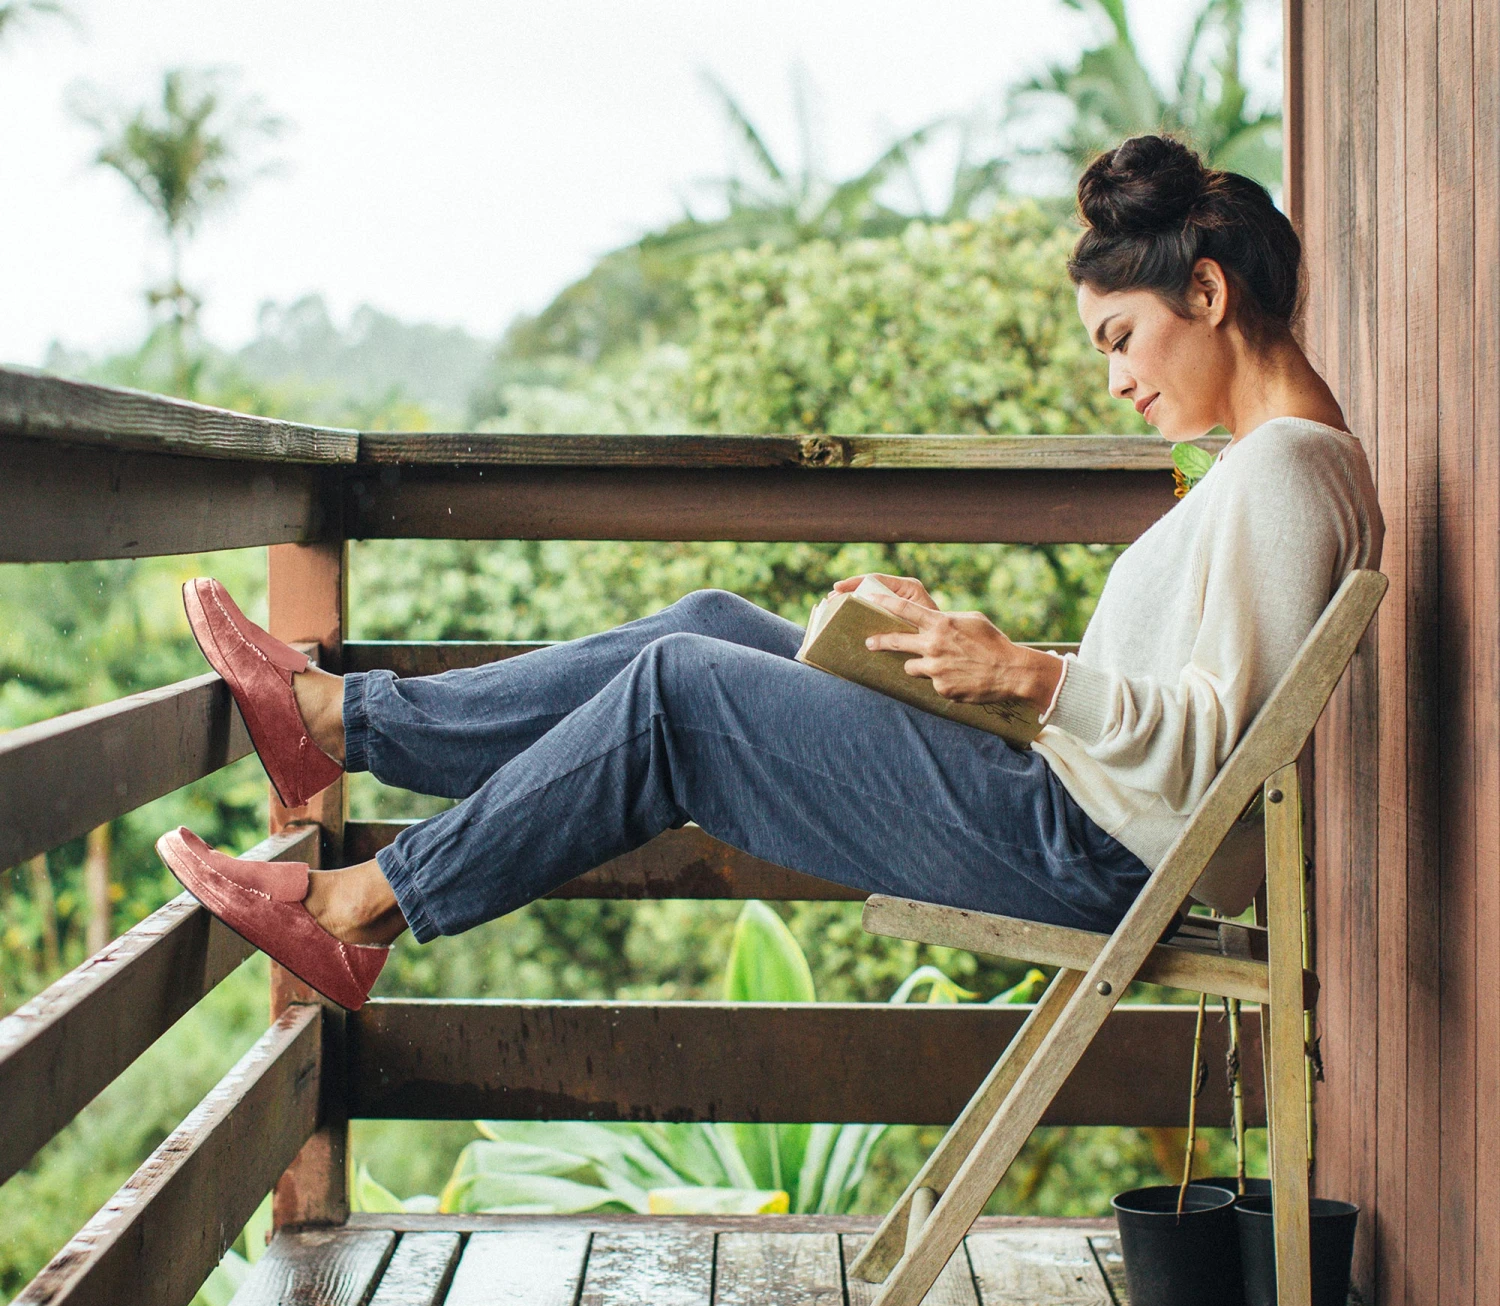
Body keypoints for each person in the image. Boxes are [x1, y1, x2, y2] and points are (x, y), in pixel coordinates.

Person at [157, 134, 1383, 1012]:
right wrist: (960, 651)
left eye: (1121, 338)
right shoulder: (1270, 465)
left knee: (682, 691)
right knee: (707, 622)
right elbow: (1175, 705)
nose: (1116, 379)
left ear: (1206, 291)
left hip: (1088, 849)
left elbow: (1208, 754)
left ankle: (363, 905)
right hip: (1066, 803)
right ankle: (340, 721)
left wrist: (1027, 675)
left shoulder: (1286, 474)